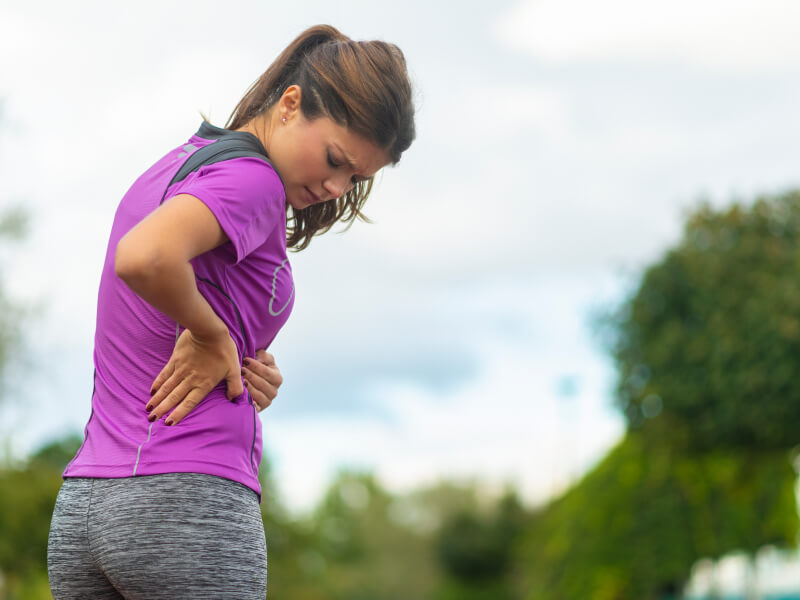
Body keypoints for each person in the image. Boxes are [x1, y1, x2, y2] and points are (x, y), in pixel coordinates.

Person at [47, 24, 415, 599]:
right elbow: (143, 258)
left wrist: (235, 359)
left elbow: (156, 314)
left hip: (86, 508)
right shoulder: (254, 180)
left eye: (356, 178)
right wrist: (214, 334)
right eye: (335, 159)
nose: (336, 185)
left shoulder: (180, 164)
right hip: (185, 502)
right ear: (291, 104)